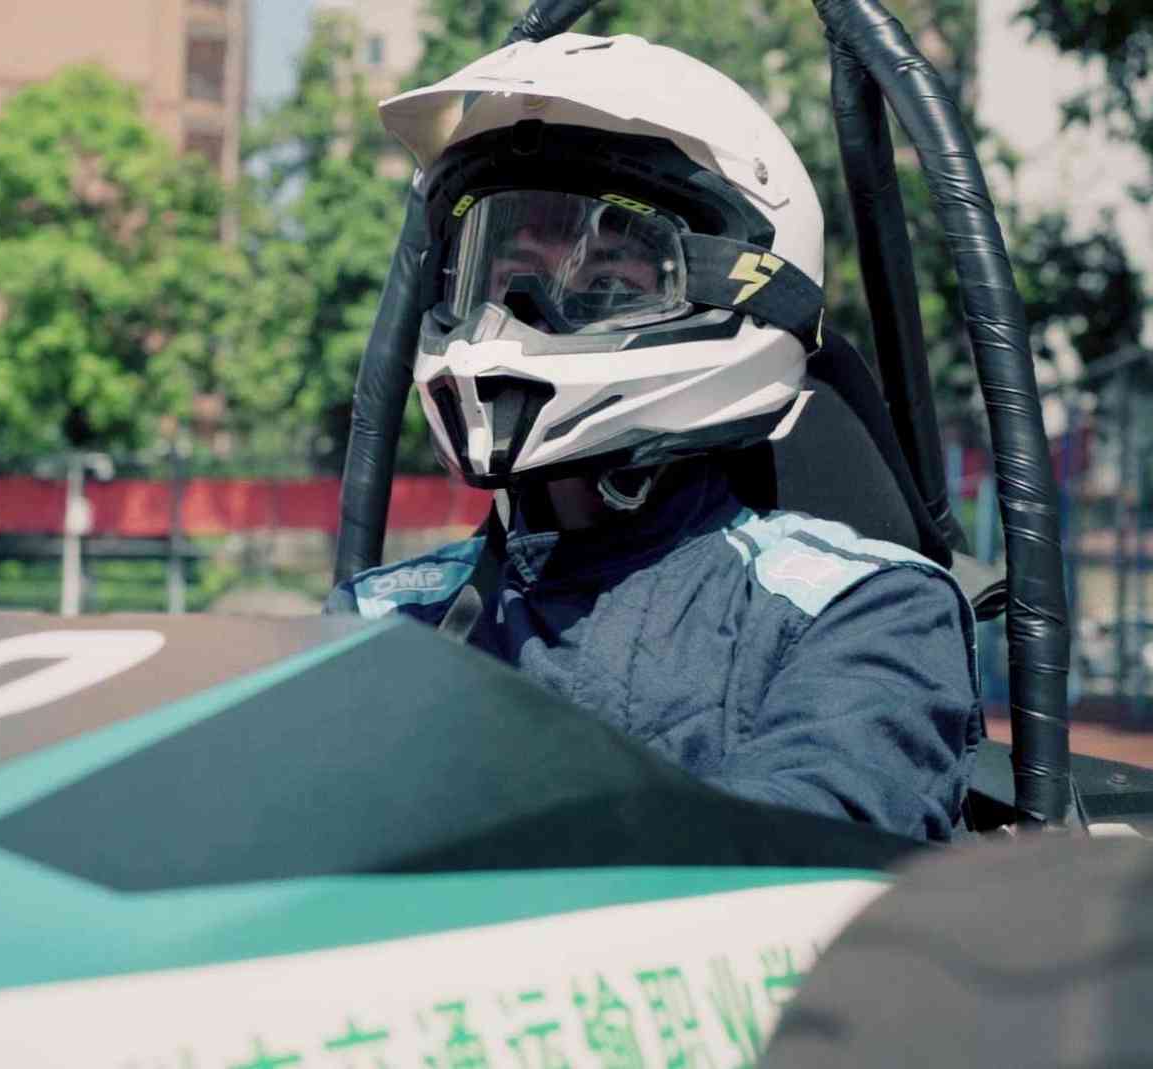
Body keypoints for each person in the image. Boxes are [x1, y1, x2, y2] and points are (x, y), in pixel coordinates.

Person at [326, 34, 981, 842]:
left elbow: (803, 852)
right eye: (505, 273)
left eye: (604, 280)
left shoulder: (865, 607)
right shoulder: (387, 614)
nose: (514, 317)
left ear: (735, 282)